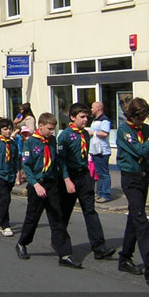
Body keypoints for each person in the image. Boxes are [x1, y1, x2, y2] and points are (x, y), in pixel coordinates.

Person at [15, 112, 81, 269]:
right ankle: (22, 243)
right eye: (50, 128)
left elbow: (59, 162)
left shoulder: (52, 141)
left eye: (54, 129)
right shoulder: (30, 142)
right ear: (41, 126)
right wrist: (35, 184)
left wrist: (66, 179)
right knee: (33, 217)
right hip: (37, 184)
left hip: (52, 184)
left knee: (57, 218)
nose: (52, 131)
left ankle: (65, 254)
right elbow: (27, 166)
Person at [116, 97, 149, 287]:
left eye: (145, 118)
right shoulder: (124, 130)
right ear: (132, 116)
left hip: (143, 176)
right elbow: (139, 149)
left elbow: (145, 152)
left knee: (134, 218)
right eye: (141, 118)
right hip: (130, 179)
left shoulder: (144, 129)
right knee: (142, 221)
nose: (143, 122)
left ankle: (124, 258)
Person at [58, 103, 115, 260]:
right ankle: (60, 243)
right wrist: (66, 179)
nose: (85, 120)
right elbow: (60, 161)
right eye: (81, 117)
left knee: (90, 211)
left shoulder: (85, 134)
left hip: (84, 176)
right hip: (70, 176)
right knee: (64, 213)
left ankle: (99, 247)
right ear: (72, 118)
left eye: (86, 117)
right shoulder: (65, 135)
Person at [88, 101, 112, 203]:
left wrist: (93, 132)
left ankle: (105, 195)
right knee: (99, 174)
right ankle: (100, 193)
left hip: (102, 151)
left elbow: (105, 133)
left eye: (92, 108)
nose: (91, 110)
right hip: (95, 150)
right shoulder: (96, 120)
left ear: (98, 108)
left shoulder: (104, 120)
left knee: (104, 174)